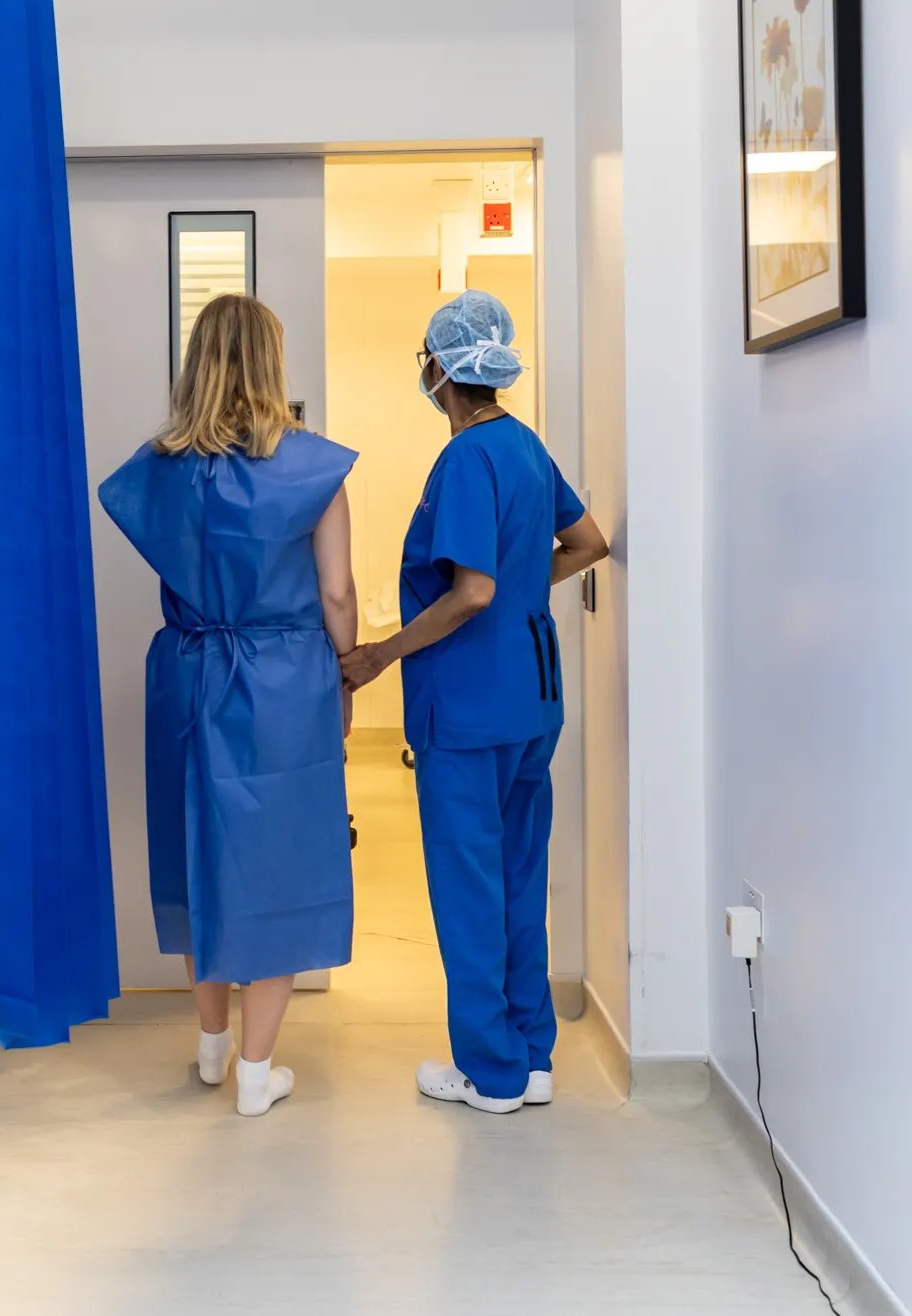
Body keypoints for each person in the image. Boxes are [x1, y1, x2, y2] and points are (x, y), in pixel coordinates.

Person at [340, 290, 609, 1114]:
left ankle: (487, 1073)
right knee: (521, 878)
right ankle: (530, 1060)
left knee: (468, 887)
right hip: (532, 698)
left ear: (440, 367)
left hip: (467, 709)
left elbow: (470, 591)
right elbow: (590, 543)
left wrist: (382, 653)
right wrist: (530, 586)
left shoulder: (464, 460)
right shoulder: (526, 447)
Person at [98, 294, 359, 1118]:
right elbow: (339, 592)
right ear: (270, 361)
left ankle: (211, 1049)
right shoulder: (313, 468)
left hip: (187, 671)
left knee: (196, 852)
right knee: (280, 860)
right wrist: (344, 680)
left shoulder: (161, 470)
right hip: (282, 680)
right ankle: (256, 1071)